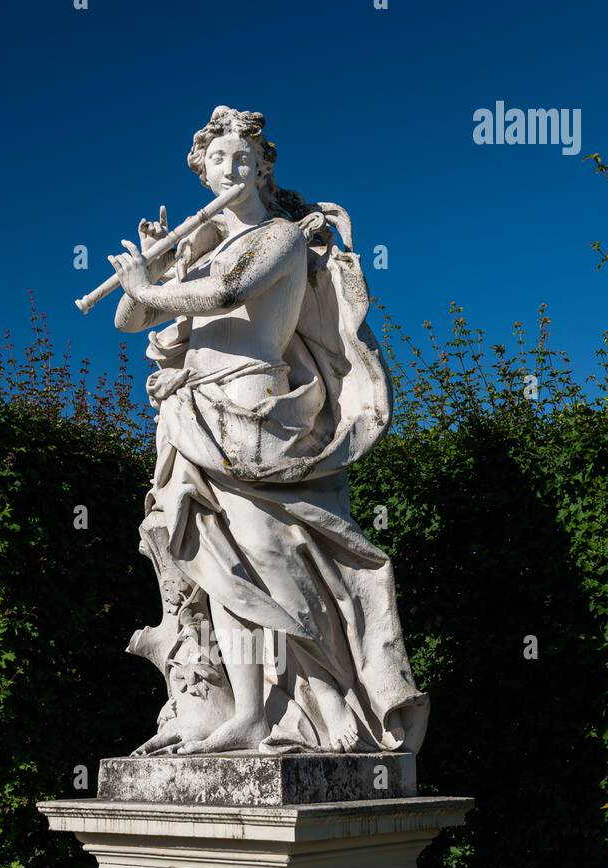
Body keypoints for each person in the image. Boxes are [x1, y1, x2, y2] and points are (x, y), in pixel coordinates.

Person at [108, 105, 428, 756]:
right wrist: (156, 270)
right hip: (191, 411)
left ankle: (325, 688)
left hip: (254, 405)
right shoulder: (201, 250)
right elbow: (127, 318)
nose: (232, 168)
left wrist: (157, 286)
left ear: (263, 168)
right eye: (219, 159)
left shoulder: (277, 238)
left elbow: (227, 294)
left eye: (244, 158)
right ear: (203, 170)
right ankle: (251, 712)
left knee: (268, 549)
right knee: (222, 565)